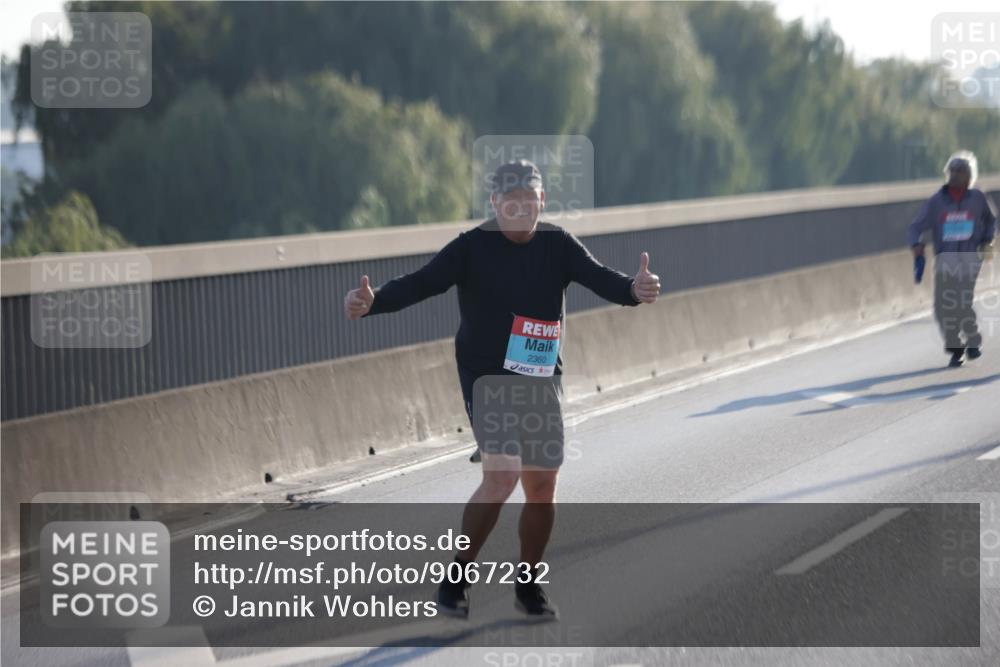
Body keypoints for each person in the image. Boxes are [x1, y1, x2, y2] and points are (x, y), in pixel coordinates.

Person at [343, 159, 661, 619]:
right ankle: (456, 578)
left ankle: (528, 585)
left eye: (529, 199)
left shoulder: (558, 244)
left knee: (542, 485)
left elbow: (602, 279)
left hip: (539, 379)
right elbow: (422, 283)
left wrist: (635, 288)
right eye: (511, 200)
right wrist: (373, 302)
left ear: (542, 201)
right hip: (486, 376)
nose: (521, 208)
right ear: (494, 203)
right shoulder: (471, 247)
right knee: (503, 474)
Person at [908, 151, 997, 367]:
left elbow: (991, 221)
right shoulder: (937, 201)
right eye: (952, 170)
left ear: (969, 175)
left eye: (960, 171)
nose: (955, 174)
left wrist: (987, 240)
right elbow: (916, 226)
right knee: (942, 308)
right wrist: (916, 244)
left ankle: (973, 340)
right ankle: (956, 347)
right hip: (944, 261)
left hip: (969, 259)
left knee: (961, 303)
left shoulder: (977, 199)